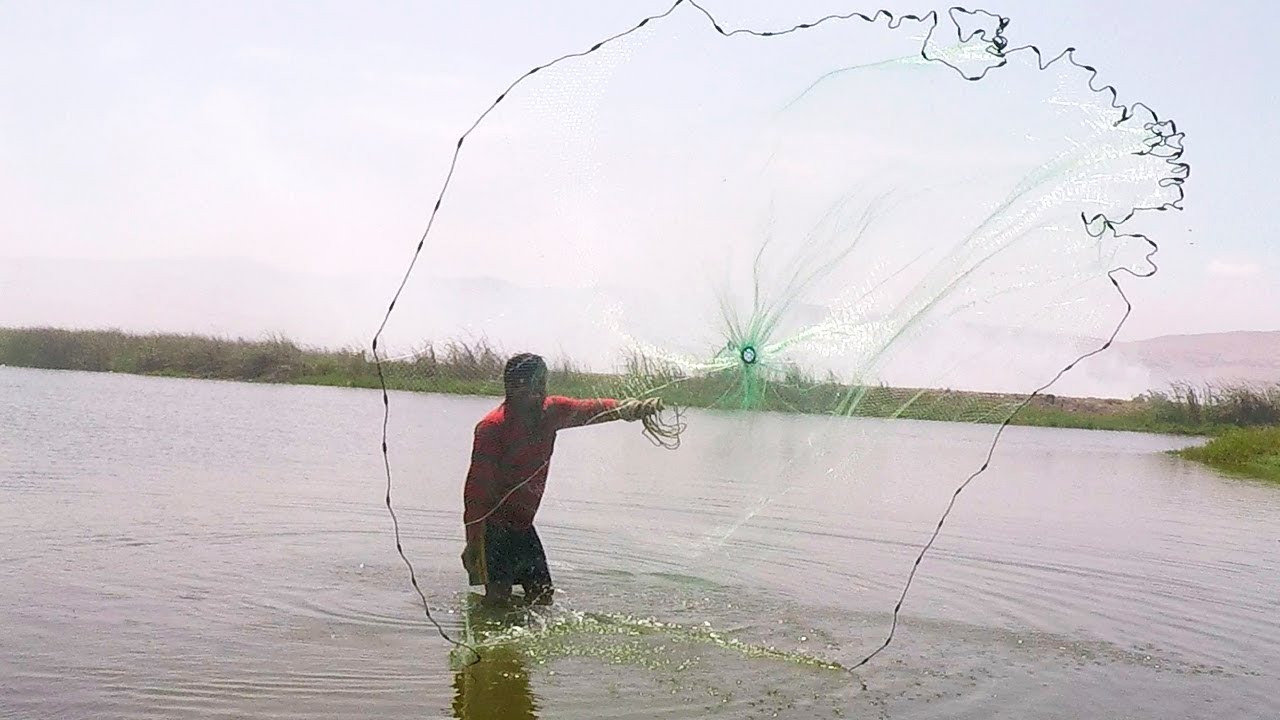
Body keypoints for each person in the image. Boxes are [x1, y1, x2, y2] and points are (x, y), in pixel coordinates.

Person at [461, 352, 662, 606]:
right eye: (527, 386)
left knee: (543, 597)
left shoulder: (551, 412)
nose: (535, 394)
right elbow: (476, 493)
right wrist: (473, 543)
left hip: (523, 526)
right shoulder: (493, 428)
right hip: (493, 529)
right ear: (511, 387)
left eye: (540, 385)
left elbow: (589, 409)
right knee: (497, 601)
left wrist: (627, 409)